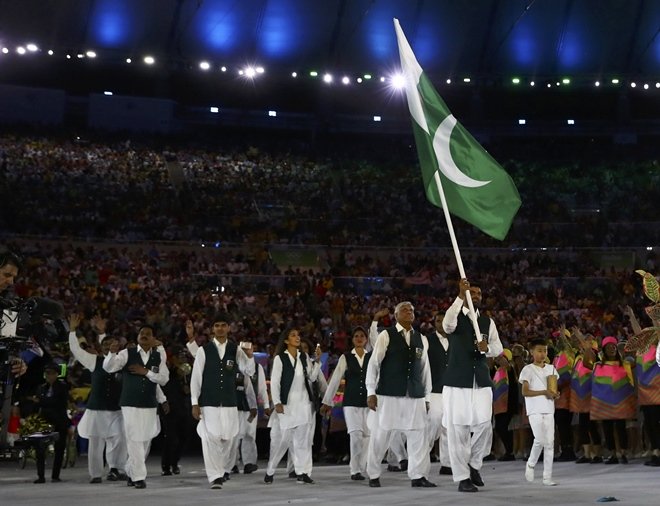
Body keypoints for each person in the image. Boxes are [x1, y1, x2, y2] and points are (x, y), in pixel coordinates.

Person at [365, 301, 435, 489]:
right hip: (389, 393)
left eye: (411, 310)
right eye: (404, 309)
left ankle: (418, 475)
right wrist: (371, 392)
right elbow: (374, 364)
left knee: (418, 435)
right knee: (381, 435)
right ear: (396, 315)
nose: (409, 312)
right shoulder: (386, 335)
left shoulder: (422, 339)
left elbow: (425, 370)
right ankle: (373, 473)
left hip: (414, 394)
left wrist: (427, 397)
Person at [442, 278, 503, 493]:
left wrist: (487, 348)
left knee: (485, 426)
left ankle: (474, 464)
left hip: (481, 381)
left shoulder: (487, 321)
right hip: (457, 381)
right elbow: (447, 325)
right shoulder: (456, 316)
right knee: (458, 429)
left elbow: (498, 348)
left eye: (478, 293)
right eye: (472, 292)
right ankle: (462, 477)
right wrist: (459, 296)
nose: (475, 296)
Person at [188, 314, 255, 489]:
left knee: (229, 438)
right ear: (212, 329)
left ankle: (223, 469)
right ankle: (215, 475)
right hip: (209, 402)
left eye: (223, 325)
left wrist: (249, 356)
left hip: (229, 401)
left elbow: (249, 371)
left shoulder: (236, 350)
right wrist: (195, 402)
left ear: (228, 328)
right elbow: (196, 378)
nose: (220, 328)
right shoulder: (204, 350)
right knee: (211, 439)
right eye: (216, 325)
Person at [103, 324, 169, 489]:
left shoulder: (159, 356)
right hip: (130, 403)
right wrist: (111, 353)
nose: (145, 336)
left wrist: (146, 372)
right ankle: (139, 477)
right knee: (134, 438)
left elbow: (164, 379)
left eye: (148, 334)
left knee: (146, 439)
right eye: (142, 333)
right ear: (138, 337)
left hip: (149, 403)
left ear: (153, 339)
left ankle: (130, 470)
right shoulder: (127, 353)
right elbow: (109, 367)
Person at [68, 314, 127, 483]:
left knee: (118, 440)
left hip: (116, 409)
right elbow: (76, 350)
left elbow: (109, 347)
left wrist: (102, 332)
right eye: (106, 345)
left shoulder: (122, 362)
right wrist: (72, 330)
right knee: (96, 443)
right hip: (97, 409)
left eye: (113, 344)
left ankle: (116, 469)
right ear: (102, 349)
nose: (110, 347)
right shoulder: (94, 360)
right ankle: (95, 474)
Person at [264, 328, 317, 484]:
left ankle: (303, 472)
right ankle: (270, 470)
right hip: (287, 405)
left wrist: (318, 361)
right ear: (286, 341)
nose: (297, 337)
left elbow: (312, 378)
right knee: (283, 441)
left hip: (304, 403)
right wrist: (277, 402)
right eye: (293, 335)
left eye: (298, 335)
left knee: (302, 441)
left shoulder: (304, 357)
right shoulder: (280, 358)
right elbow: (275, 382)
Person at [321, 326, 372, 481]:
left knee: (367, 436)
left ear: (366, 339)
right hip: (351, 402)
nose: (359, 338)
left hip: (368, 403)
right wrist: (327, 401)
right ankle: (355, 470)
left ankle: (362, 467)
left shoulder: (371, 357)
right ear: (352, 339)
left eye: (362, 336)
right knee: (355, 435)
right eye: (356, 336)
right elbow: (336, 379)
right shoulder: (346, 357)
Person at [583, 336, 635, 464]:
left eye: (613, 347)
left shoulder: (625, 364)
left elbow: (637, 361)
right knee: (607, 429)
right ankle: (613, 454)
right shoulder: (598, 365)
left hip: (621, 402)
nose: (611, 349)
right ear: (604, 350)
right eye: (608, 347)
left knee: (621, 428)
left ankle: (622, 453)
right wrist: (586, 346)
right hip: (604, 405)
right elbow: (585, 363)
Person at [519, 338, 560, 486]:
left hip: (549, 409)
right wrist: (544, 392)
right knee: (540, 439)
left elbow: (554, 390)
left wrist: (555, 394)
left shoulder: (552, 369)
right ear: (532, 352)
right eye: (540, 351)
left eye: (545, 350)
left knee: (550, 443)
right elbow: (525, 392)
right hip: (535, 410)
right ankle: (530, 464)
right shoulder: (527, 369)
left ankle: (547, 477)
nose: (543, 354)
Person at [30, 362, 71, 483]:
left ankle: (55, 475)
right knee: (40, 448)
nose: (49, 376)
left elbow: (57, 402)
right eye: (47, 373)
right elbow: (37, 404)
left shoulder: (62, 386)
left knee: (59, 448)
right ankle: (41, 476)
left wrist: (41, 400)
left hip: (59, 420)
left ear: (56, 374)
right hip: (44, 420)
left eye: (51, 373)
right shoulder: (41, 387)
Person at [424, 312, 452, 476]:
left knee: (448, 427)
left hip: (452, 391)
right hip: (433, 390)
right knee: (432, 424)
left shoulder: (455, 339)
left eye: (443, 320)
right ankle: (421, 457)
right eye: (438, 320)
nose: (440, 323)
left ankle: (447, 463)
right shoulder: (427, 340)